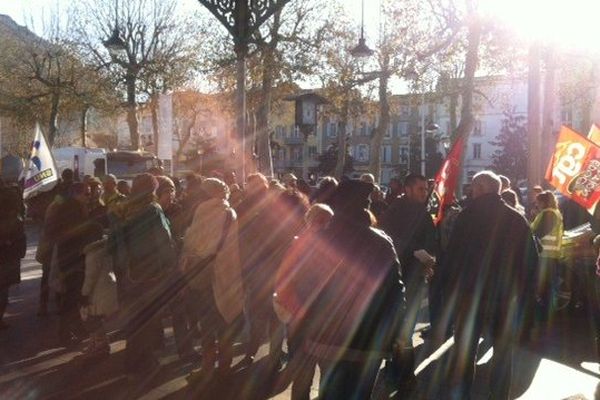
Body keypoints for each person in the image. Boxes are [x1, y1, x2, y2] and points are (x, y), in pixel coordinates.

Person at [300, 180, 405, 399]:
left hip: (326, 336)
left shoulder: (319, 240)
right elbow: (395, 291)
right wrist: (395, 331)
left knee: (329, 392)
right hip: (369, 339)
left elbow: (304, 287)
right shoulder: (382, 242)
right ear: (365, 207)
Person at [442, 171, 538, 399]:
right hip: (504, 297)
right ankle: (499, 395)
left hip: (470, 295)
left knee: (465, 351)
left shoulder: (466, 217)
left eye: (473, 188)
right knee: (503, 352)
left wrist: (448, 291)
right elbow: (530, 261)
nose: (471, 192)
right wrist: (524, 295)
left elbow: (452, 256)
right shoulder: (515, 218)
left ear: (480, 188)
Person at [108, 173, 175, 377]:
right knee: (149, 318)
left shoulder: (122, 209)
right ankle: (145, 363)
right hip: (152, 272)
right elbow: (164, 240)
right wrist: (171, 264)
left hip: (128, 272)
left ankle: (132, 362)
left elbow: (113, 241)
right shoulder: (153, 210)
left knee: (136, 318)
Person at [380, 173, 438, 388]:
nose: (425, 193)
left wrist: (429, 261)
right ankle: (402, 375)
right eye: (421, 189)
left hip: (414, 274)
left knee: (405, 326)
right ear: (408, 188)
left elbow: (431, 239)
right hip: (401, 276)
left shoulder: (420, 211)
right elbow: (390, 239)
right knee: (404, 326)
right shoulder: (397, 210)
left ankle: (396, 371)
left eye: (425, 189)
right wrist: (416, 253)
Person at [181, 178, 244, 374]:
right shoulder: (229, 213)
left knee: (207, 325)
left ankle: (207, 366)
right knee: (225, 322)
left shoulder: (201, 211)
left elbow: (192, 242)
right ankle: (225, 364)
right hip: (226, 274)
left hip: (203, 274)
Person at [53, 183, 103, 346]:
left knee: (71, 297)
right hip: (73, 259)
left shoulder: (68, 207)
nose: (89, 197)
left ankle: (71, 330)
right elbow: (79, 232)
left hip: (69, 258)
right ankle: (66, 333)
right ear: (77, 194)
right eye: (87, 194)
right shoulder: (72, 210)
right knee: (72, 297)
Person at [531, 190, 564, 317]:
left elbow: (539, 232)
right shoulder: (555, 213)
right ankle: (548, 310)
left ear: (543, 202)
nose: (536, 204)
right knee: (549, 285)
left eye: (538, 202)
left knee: (544, 285)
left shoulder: (548, 213)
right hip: (551, 254)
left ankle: (545, 312)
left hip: (545, 254)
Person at [0, 184, 26, 329]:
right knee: (3, 288)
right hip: (7, 256)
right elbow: (19, 237)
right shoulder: (14, 219)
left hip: (7, 254)